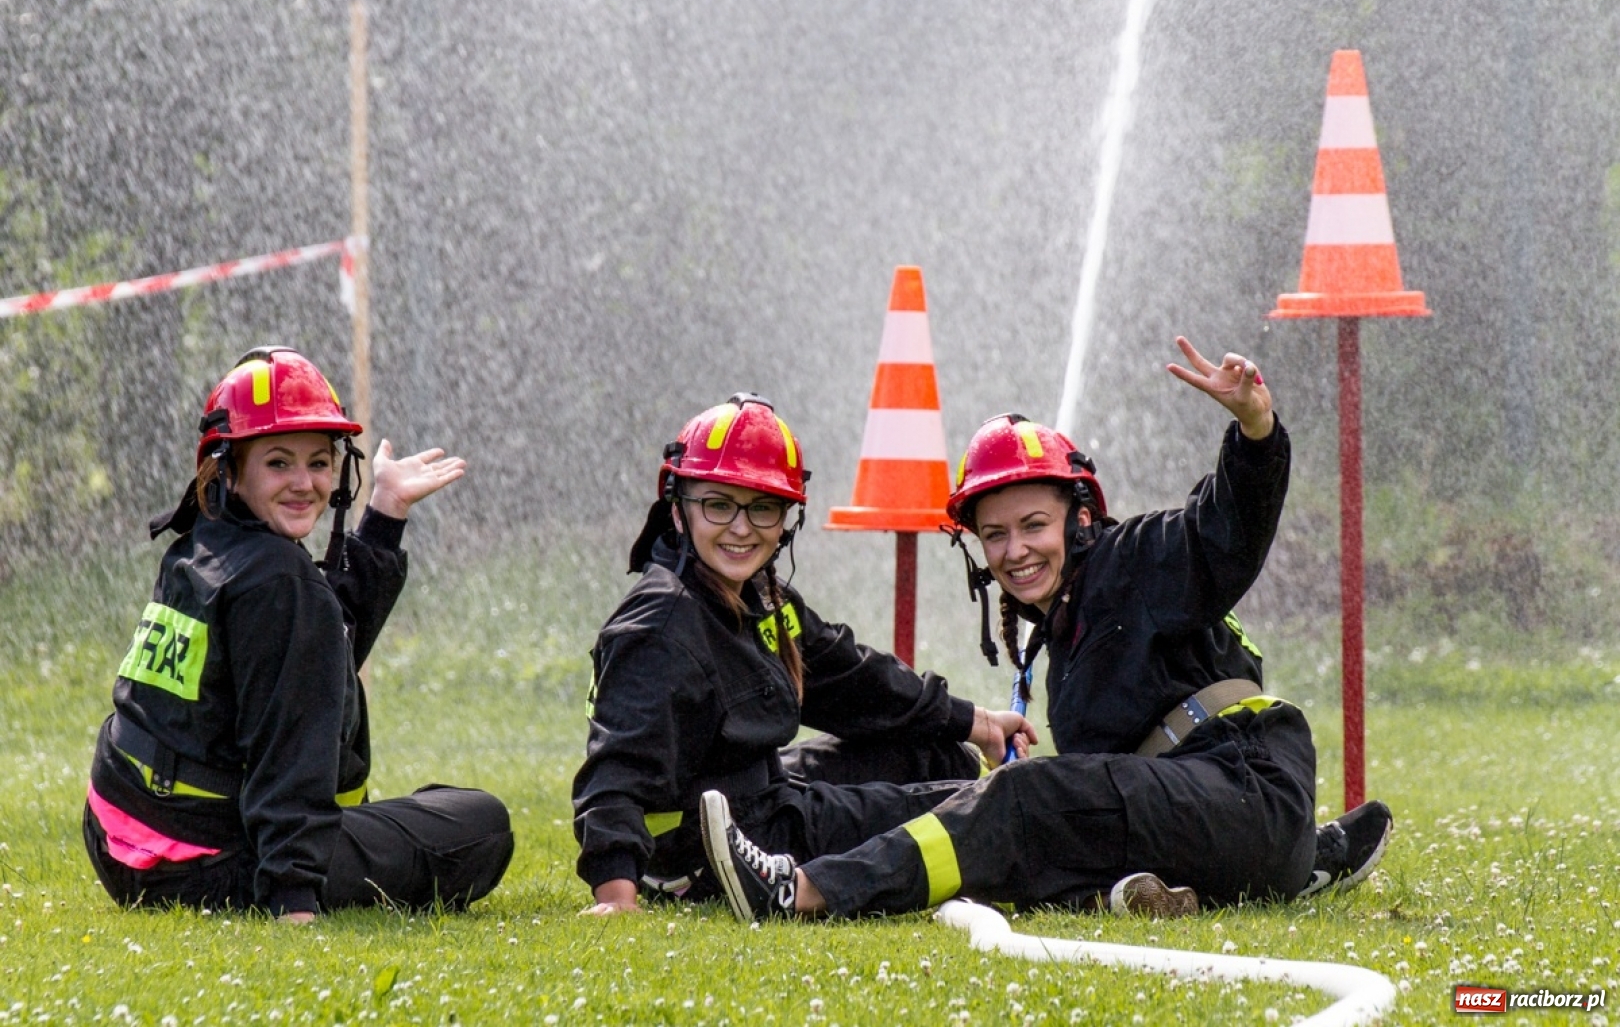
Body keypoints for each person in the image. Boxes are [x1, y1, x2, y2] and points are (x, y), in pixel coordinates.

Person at [702, 338, 1393, 921]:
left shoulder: (1133, 562)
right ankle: (1170, 888)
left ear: (1080, 518)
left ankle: (802, 892)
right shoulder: (1068, 624)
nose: (1014, 551)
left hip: (1248, 791)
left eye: (1034, 526)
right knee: (1018, 803)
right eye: (994, 535)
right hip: (1233, 821)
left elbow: (1223, 535)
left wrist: (1255, 431)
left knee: (1027, 797)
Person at [83, 346, 514, 922]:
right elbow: (289, 739)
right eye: (279, 462)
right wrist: (293, 895)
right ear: (230, 468)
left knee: (426, 811)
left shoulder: (203, 544)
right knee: (479, 825)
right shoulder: (277, 581)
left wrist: (385, 512)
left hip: (120, 840)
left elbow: (314, 654)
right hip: (207, 865)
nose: (304, 482)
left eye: (318, 462)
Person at [573, 393, 1037, 914]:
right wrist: (616, 895)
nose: (742, 527)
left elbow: (851, 677)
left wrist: (976, 723)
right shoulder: (660, 624)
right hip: (711, 842)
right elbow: (614, 771)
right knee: (989, 806)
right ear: (679, 511)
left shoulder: (760, 597)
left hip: (760, 792)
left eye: (763, 508)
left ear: (785, 520)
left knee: (941, 753)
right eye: (719, 504)